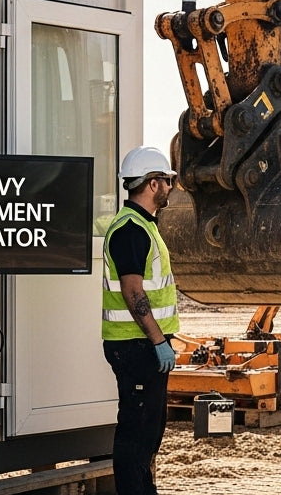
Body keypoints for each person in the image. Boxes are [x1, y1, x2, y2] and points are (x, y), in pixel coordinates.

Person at [101, 146, 181, 495]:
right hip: (137, 346)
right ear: (152, 183)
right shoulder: (131, 229)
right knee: (136, 433)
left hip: (142, 345)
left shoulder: (143, 226)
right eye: (167, 180)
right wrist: (159, 341)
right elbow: (133, 292)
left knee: (149, 430)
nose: (170, 187)